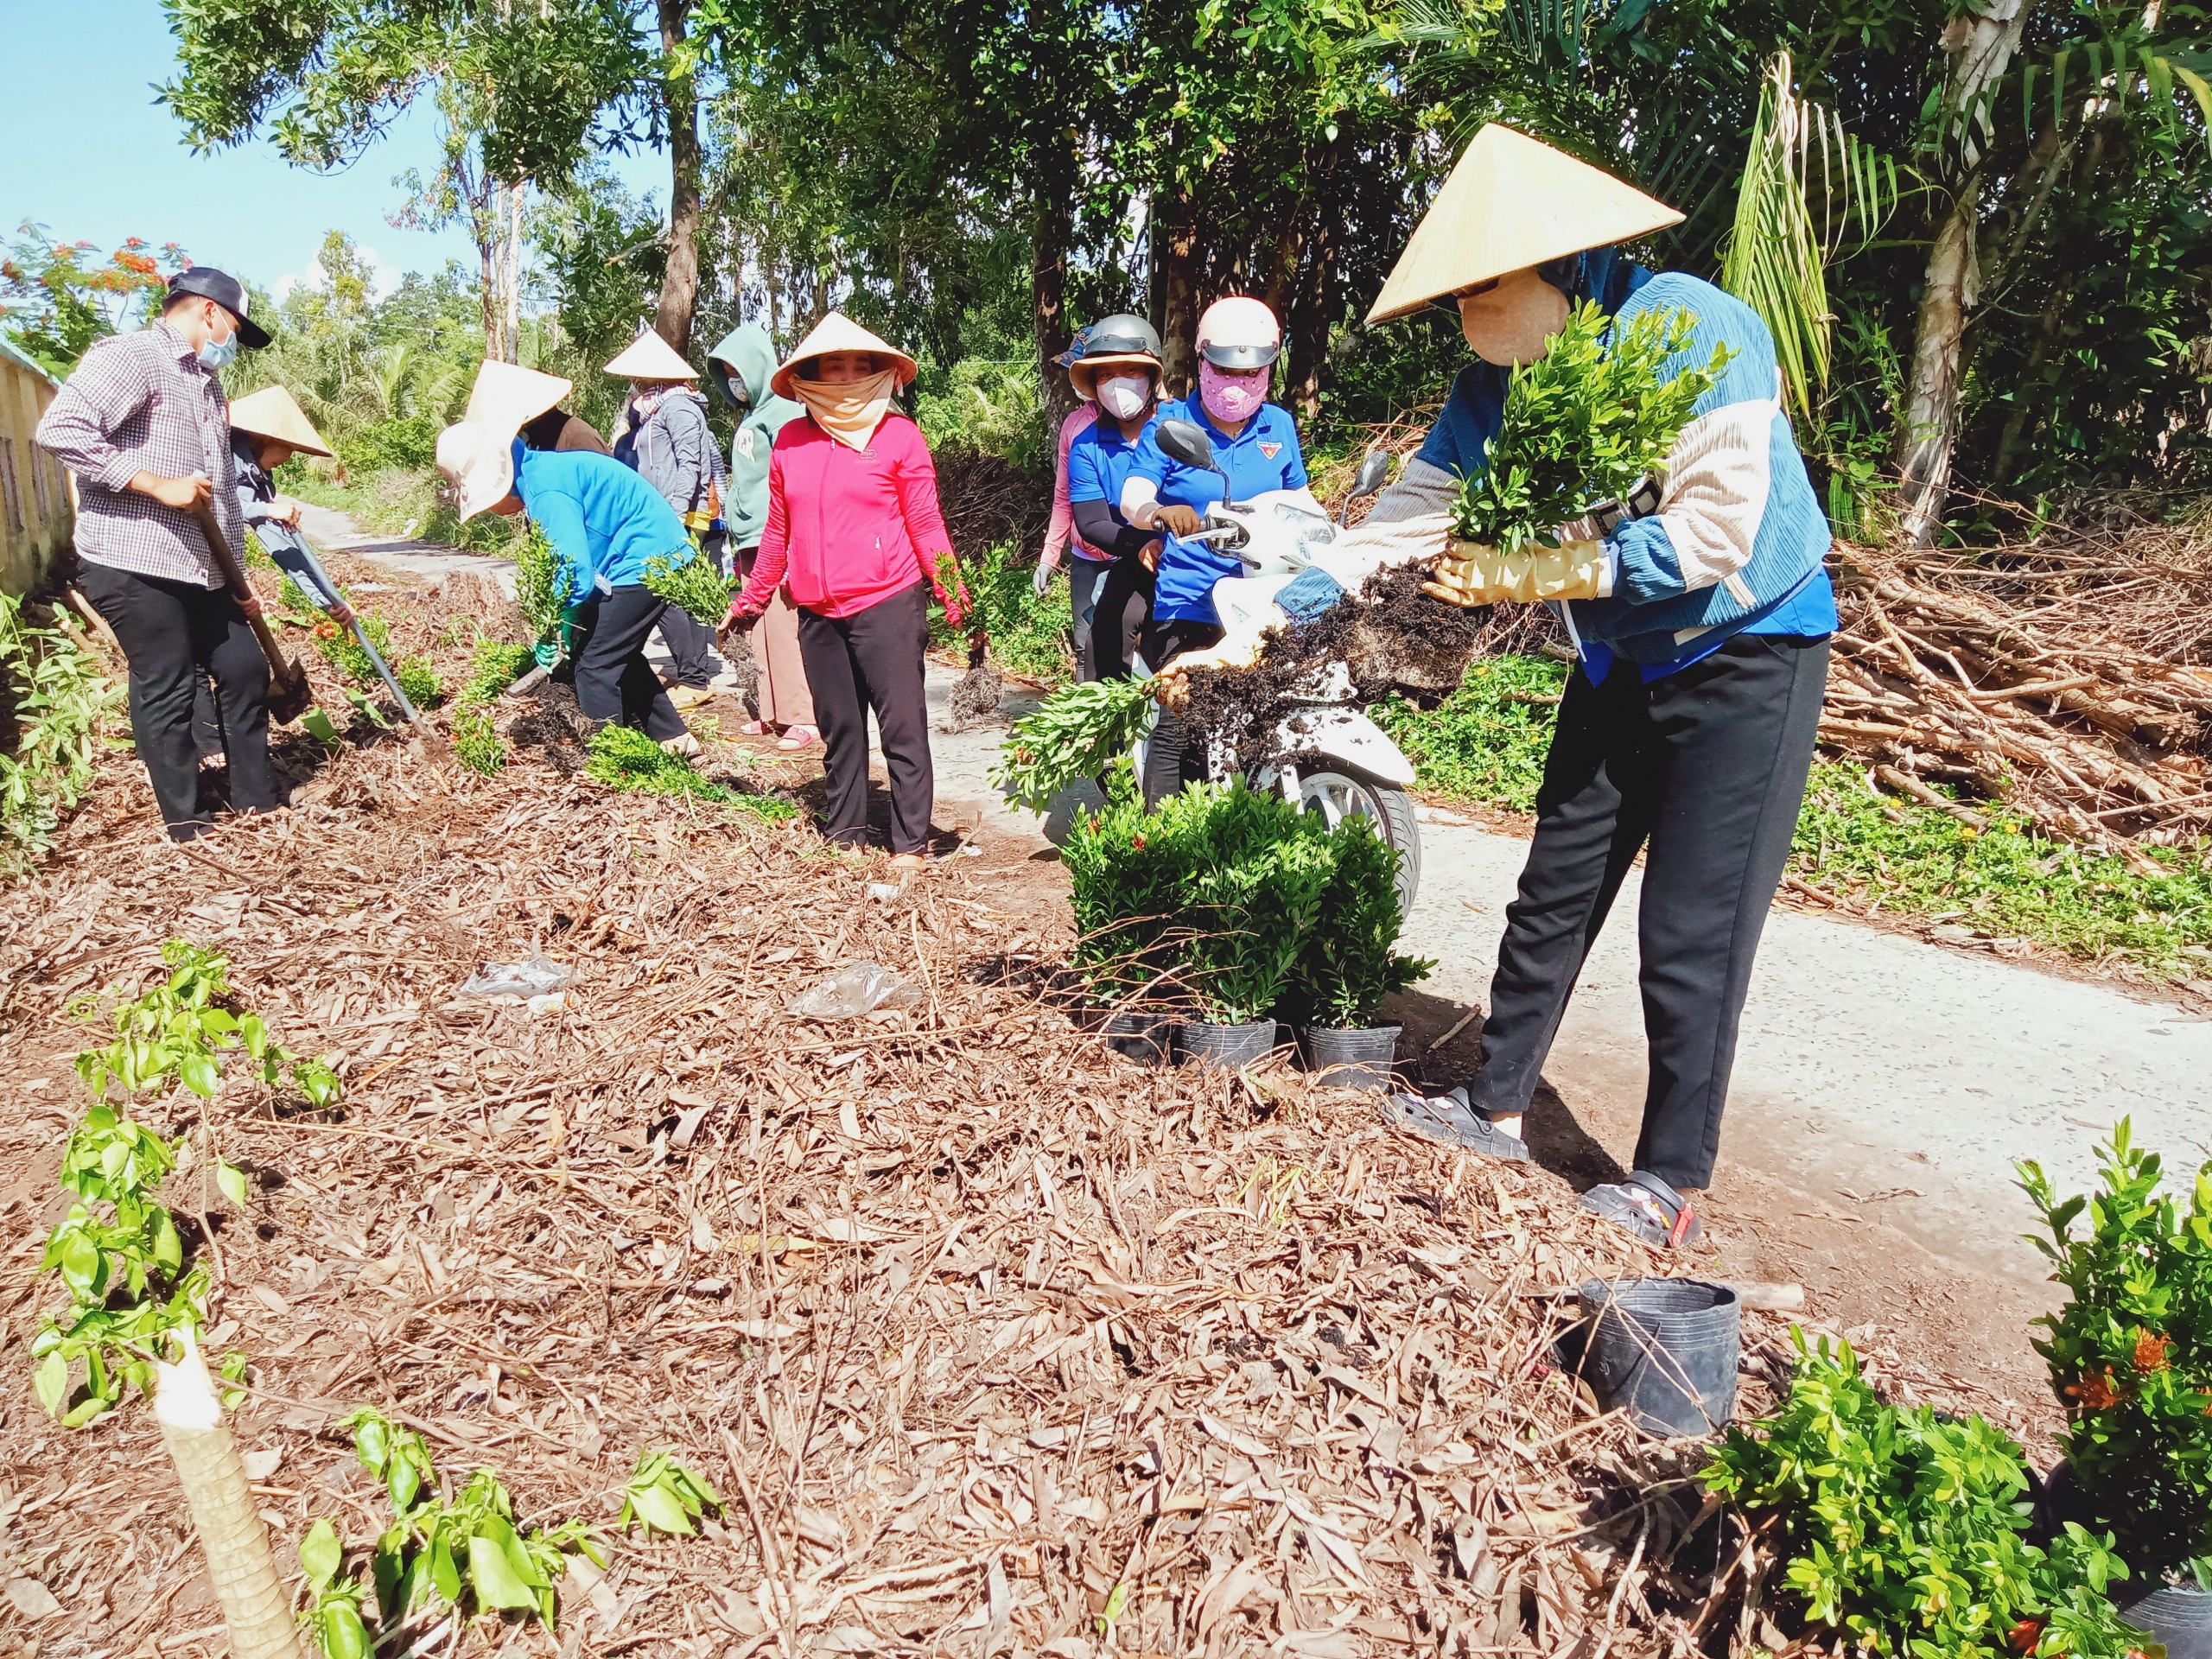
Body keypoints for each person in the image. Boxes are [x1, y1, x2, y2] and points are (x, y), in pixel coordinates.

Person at [1164, 125, 1835, 1249]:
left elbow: (1718, 532)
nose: (1477, 306)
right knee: (1556, 884)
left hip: (1748, 650)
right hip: (1624, 657)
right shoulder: (1496, 386)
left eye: (1491, 282)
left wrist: (1544, 569)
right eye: (1463, 290)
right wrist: (1259, 631)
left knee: (1690, 929)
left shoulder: (1692, 327)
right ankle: (1493, 1106)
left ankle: (1669, 1181)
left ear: (1564, 260)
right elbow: (1404, 522)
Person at [35, 266, 277, 842]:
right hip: (133, 558)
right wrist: (153, 481)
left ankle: (256, 799)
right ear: (209, 312)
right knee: (167, 683)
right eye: (236, 330)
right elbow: (61, 428)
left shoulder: (208, 385)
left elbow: (218, 495)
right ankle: (188, 822)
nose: (233, 344)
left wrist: (240, 580)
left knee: (244, 667)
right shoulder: (131, 357)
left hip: (201, 561)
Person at [721, 313, 968, 871]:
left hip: (888, 604)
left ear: (881, 375)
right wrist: (752, 601)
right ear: (811, 376)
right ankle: (847, 836)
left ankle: (909, 845)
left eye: (862, 367)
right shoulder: (790, 441)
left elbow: (927, 525)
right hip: (817, 613)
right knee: (841, 733)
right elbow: (778, 533)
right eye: (835, 368)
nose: (849, 377)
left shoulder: (900, 437)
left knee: (903, 729)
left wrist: (955, 596)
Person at [436, 364, 705, 755]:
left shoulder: (546, 490)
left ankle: (609, 761)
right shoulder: (541, 471)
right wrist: (571, 622)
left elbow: (574, 571)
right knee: (613, 651)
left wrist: (557, 627)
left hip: (647, 558)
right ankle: (673, 738)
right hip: (644, 555)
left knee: (594, 666)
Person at [1121, 295, 1320, 804]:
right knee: (1179, 727)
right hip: (1190, 603)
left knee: (1265, 728)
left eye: (1252, 373)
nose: (1237, 385)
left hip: (1262, 602)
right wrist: (1157, 515)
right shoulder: (1171, 425)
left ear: (1269, 370)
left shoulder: (1278, 426)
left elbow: (1299, 500)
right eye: (1225, 371)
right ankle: (1161, 845)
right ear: (1201, 362)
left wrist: (1332, 536)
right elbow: (1133, 495)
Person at [707, 321, 817, 750]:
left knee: (784, 626)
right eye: (726, 374)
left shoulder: (785, 411)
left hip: (777, 536)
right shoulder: (752, 417)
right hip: (748, 538)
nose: (734, 381)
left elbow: (793, 479)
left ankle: (803, 715)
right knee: (757, 626)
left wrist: (791, 539)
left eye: (738, 370)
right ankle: (770, 712)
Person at [606, 330, 725, 711]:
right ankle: (691, 669)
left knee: (671, 591)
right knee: (676, 593)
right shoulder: (652, 410)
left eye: (639, 377)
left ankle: (696, 677)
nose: (634, 384)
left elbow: (691, 463)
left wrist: (674, 513)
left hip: (683, 514)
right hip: (661, 511)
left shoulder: (680, 407)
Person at [1058, 315, 1166, 682]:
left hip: (1194, 558)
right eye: (1105, 375)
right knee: (1101, 639)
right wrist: (1142, 545)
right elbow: (1089, 522)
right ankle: (1102, 735)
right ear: (1092, 385)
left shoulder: (1180, 425)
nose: (1117, 383)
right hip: (1132, 556)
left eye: (1130, 371)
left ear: (1153, 377)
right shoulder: (1086, 443)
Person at [225, 385, 353, 630]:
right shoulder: (224, 457)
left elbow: (280, 544)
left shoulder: (259, 476)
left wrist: (328, 601)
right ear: (263, 438)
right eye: (288, 447)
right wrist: (268, 510)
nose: (289, 458)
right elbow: (221, 507)